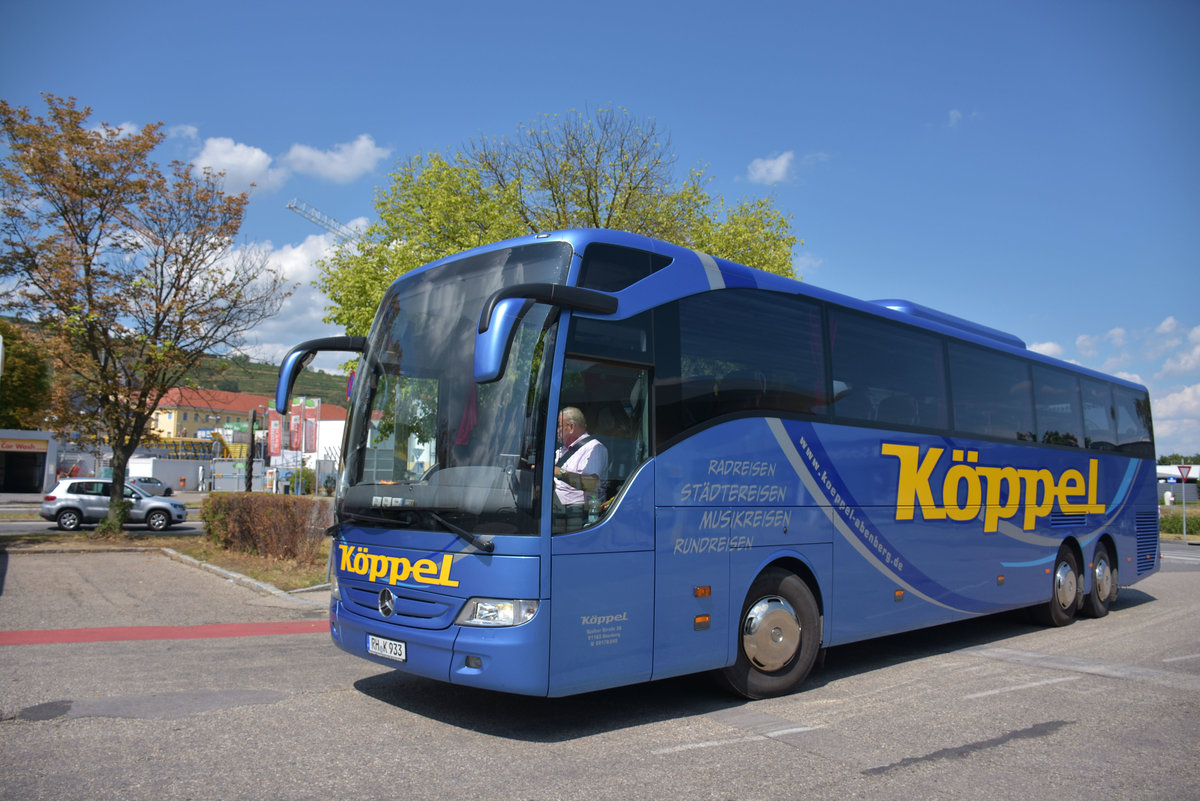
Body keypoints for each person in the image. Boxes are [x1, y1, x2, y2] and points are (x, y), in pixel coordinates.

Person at [552, 407, 608, 508]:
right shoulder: (564, 449)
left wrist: (560, 472)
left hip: (575, 509)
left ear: (571, 427)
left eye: (559, 426)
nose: (556, 431)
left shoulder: (594, 448)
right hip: (555, 503)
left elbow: (591, 484)